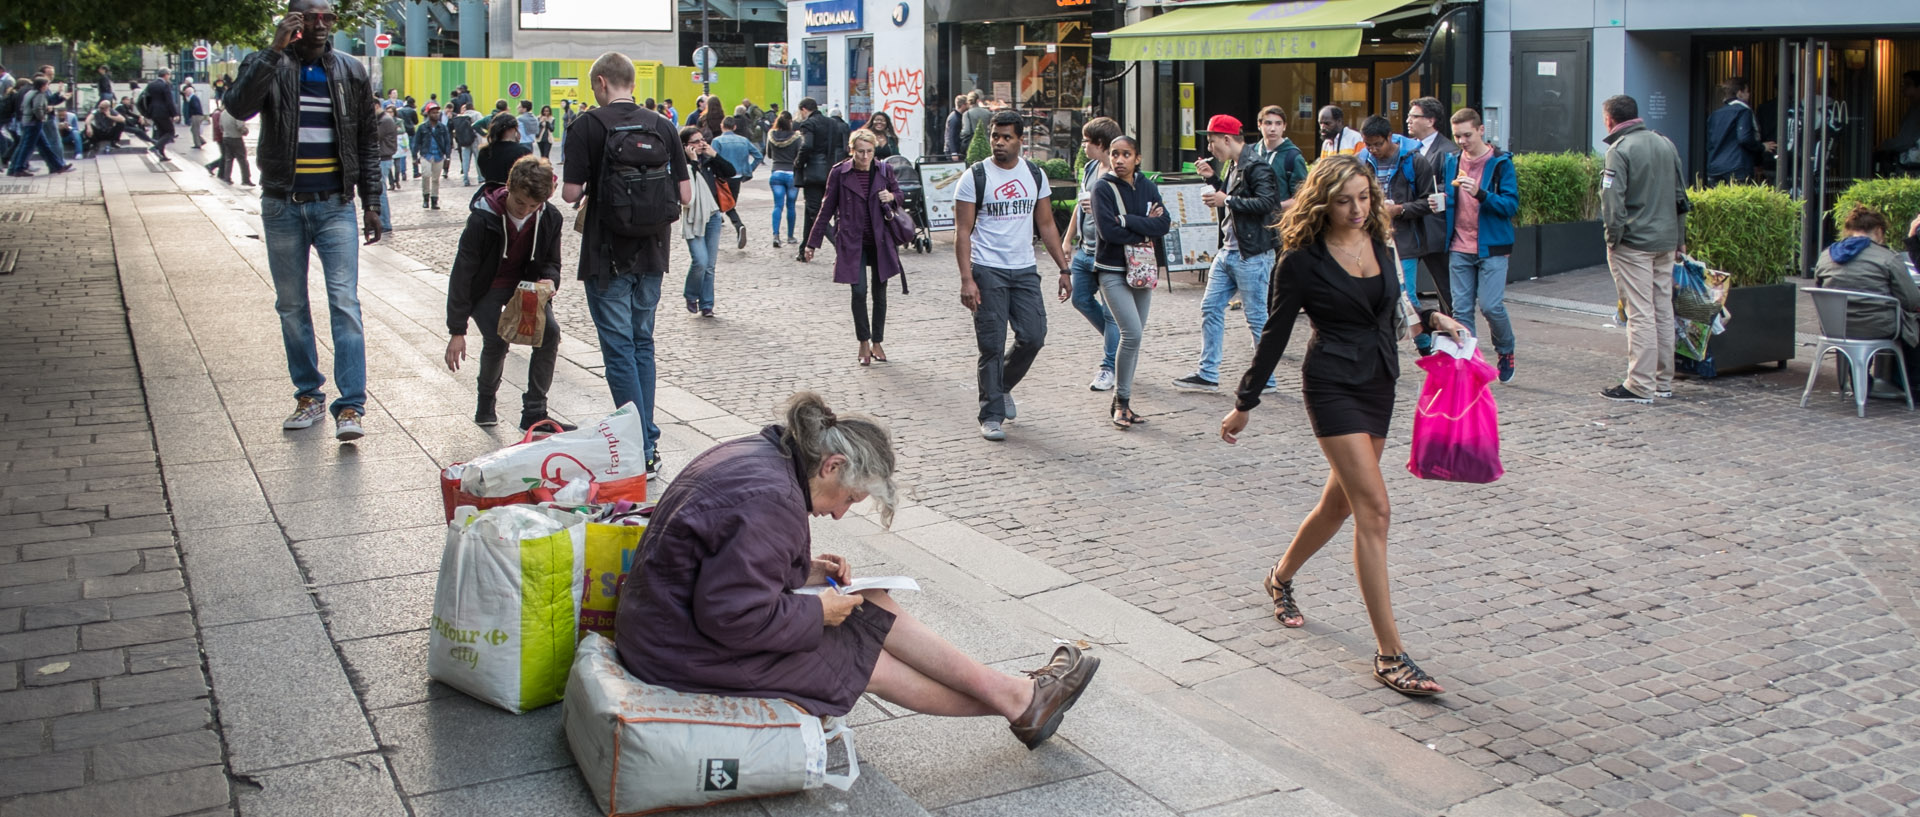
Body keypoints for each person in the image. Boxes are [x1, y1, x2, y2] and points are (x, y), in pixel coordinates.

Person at [616, 391, 1101, 744]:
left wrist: (802, 569)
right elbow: (731, 617)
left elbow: (720, 558)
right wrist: (817, 612)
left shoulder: (765, 458)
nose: (840, 513)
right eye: (849, 497)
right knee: (864, 658)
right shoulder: (772, 500)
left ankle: (1022, 698)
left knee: (869, 601)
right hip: (678, 651)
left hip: (667, 624)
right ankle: (1021, 701)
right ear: (831, 465)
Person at [1219, 154, 1467, 697]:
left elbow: (1392, 308)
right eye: (1343, 200)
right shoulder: (1301, 261)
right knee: (1374, 509)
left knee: (1338, 504)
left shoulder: (1380, 242)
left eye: (1363, 196)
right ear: (1322, 202)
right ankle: (1390, 655)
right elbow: (1276, 335)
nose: (1357, 208)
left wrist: (1433, 320)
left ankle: (1279, 577)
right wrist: (1246, 401)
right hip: (1331, 386)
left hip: (1379, 381)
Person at [226, 0, 385, 442]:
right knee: (292, 305)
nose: (319, 24)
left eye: (327, 17)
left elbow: (366, 141)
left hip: (335, 204)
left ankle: (351, 406)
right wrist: (274, 50)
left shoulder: (349, 70)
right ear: (292, 21)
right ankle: (309, 394)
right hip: (282, 204)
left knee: (344, 304)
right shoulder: (270, 64)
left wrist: (372, 201)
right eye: (308, 17)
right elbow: (238, 107)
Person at [562, 51, 693, 478]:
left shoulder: (586, 125)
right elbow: (686, 195)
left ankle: (640, 443)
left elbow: (569, 193)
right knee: (642, 344)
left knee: (619, 349)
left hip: (607, 253)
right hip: (653, 251)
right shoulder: (663, 125)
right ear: (632, 82)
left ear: (600, 82)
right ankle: (648, 441)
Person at [954, 110, 1071, 442]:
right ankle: (991, 414)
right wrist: (967, 279)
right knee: (991, 344)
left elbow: (1046, 225)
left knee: (1034, 335)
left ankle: (1001, 384)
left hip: (1023, 270)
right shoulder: (974, 177)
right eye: (995, 136)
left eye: (1006, 137)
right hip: (987, 269)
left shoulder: (1034, 175)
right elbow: (963, 232)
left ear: (1021, 140)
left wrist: (1063, 268)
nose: (999, 142)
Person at [445, 154, 572, 431]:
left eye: (533, 205)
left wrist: (550, 281)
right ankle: (486, 404)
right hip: (488, 286)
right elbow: (463, 273)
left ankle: (535, 412)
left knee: (549, 334)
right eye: (519, 203)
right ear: (509, 188)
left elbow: (552, 262)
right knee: (498, 338)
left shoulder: (550, 217)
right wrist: (457, 329)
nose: (525, 210)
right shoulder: (482, 219)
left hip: (526, 287)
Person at [1173, 114, 1281, 395]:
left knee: (1256, 316)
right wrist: (1215, 181)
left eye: (1211, 141)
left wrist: (1227, 199)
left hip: (1253, 253)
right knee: (1210, 307)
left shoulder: (1257, 166)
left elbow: (1268, 203)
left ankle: (1266, 379)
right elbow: (1237, 195)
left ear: (1227, 139)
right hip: (1230, 249)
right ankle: (1208, 374)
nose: (1210, 148)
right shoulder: (1235, 165)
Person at [1598, 94, 1687, 404]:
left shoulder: (1618, 151)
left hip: (1634, 243)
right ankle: (1663, 380)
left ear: (1610, 119)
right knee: (1662, 309)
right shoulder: (1666, 144)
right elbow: (1680, 196)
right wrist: (1679, 238)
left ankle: (1639, 383)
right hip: (1665, 241)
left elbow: (1613, 203)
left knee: (1640, 313)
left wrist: (1613, 238)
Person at [802, 129, 906, 366]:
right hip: (852, 241)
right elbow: (826, 208)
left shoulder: (884, 169)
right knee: (859, 292)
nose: (865, 156)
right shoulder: (839, 173)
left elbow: (899, 194)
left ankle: (878, 341)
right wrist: (812, 243)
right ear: (852, 150)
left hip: (880, 240)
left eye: (869, 151)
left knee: (880, 293)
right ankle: (863, 341)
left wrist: (891, 197)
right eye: (860, 151)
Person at [1089, 135, 1170, 428]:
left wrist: (1127, 220)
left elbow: (1164, 223)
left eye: (1126, 154)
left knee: (1135, 338)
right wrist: (1142, 227)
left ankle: (1122, 402)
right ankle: (1121, 402)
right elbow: (1108, 232)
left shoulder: (1148, 185)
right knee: (1132, 333)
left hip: (1143, 271)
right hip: (1111, 269)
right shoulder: (1102, 188)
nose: (1119, 160)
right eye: (1115, 154)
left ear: (1138, 158)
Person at [1439, 108, 1519, 385]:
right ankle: (1467, 364)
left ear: (1481, 130)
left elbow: (1510, 205)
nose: (1462, 141)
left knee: (1491, 306)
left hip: (1492, 246)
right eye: (1457, 136)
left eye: (1467, 135)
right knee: (1460, 310)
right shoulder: (1451, 161)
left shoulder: (1500, 163)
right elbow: (1447, 196)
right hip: (1459, 245)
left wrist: (1481, 193)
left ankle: (1506, 350)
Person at [1814, 208, 1920, 391]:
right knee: (1912, 320)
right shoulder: (1888, 258)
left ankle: (1857, 378)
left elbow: (1819, 288)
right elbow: (1912, 300)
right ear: (1879, 231)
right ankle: (1912, 385)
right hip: (1877, 327)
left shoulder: (1826, 256)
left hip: (1835, 326)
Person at [1060, 117, 1122, 392]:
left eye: (1087, 141)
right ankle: (1121, 344)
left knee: (1112, 314)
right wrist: (1068, 238)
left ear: (1100, 144)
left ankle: (1109, 366)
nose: (1083, 145)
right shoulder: (1089, 167)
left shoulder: (1122, 172)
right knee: (1080, 299)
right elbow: (1078, 204)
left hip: (1110, 254)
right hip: (1086, 250)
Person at [1360, 115, 1441, 313]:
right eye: (1368, 145)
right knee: (1372, 295)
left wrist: (1400, 210)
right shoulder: (1361, 161)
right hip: (1370, 238)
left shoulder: (1415, 161)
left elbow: (1429, 202)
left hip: (1404, 240)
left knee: (1407, 297)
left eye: (1378, 144)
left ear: (1390, 137)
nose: (1373, 150)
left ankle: (1422, 343)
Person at [1405, 97, 1458, 317]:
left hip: (1435, 230)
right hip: (1409, 228)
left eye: (1414, 116)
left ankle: (1455, 332)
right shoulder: (1406, 149)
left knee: (1445, 288)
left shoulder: (1448, 151)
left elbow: (1453, 187)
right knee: (1401, 284)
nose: (1408, 120)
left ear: (1430, 120)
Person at [679, 126, 735, 318]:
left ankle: (707, 305)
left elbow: (730, 171)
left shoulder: (710, 161)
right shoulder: (681, 165)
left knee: (710, 265)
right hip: (692, 217)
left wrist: (715, 155)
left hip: (713, 216)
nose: (702, 144)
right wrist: (693, 162)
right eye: (696, 141)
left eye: (703, 140)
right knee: (700, 261)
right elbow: (687, 190)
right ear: (686, 146)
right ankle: (691, 293)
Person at [794, 97, 849, 262]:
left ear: (804, 109)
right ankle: (804, 249)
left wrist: (799, 161)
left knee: (816, 213)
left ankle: (840, 246)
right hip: (830, 169)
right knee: (811, 212)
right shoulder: (832, 123)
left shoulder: (809, 124)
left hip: (813, 172)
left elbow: (807, 145)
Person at [1704, 78, 1772, 186]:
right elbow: (1744, 138)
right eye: (1747, 91)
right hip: (1737, 166)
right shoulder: (1743, 111)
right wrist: (1762, 147)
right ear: (1740, 93)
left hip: (1714, 167)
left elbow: (1709, 143)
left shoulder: (1715, 114)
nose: (1749, 94)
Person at [7, 77, 74, 177]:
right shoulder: (39, 95)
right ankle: (18, 168)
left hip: (28, 121)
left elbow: (24, 107)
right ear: (43, 86)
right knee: (27, 146)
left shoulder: (30, 93)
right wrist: (43, 116)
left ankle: (57, 166)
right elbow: (37, 108)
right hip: (34, 122)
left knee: (43, 145)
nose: (48, 87)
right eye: (47, 84)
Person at [711, 115, 760, 249]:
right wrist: (749, 169)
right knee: (729, 204)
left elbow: (713, 158)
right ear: (735, 127)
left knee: (723, 205)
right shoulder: (743, 140)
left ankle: (736, 226)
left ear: (722, 126)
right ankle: (738, 226)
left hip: (722, 177)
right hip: (737, 177)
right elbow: (758, 155)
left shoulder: (717, 141)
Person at [766, 112, 802, 248]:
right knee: (791, 206)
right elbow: (800, 154)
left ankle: (776, 235)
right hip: (791, 174)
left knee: (777, 205)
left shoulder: (771, 136)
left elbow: (769, 154)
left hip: (776, 172)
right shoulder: (796, 138)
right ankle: (790, 236)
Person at [476, 114, 531, 194]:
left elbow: (484, 173)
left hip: (491, 196)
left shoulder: (484, 151)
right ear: (515, 128)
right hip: (514, 197)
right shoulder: (523, 151)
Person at [1875, 71, 1920, 168]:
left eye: (1908, 84)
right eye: (1903, 84)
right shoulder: (1913, 109)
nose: (1903, 88)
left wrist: (1884, 146)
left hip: (1912, 164)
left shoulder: (1916, 111)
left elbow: (1905, 141)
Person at [415, 102, 451, 209]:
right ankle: (425, 197)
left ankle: (434, 200)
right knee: (426, 175)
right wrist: (414, 156)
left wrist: (447, 156)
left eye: (437, 112)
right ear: (428, 114)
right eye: (433, 113)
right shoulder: (422, 127)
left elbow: (447, 142)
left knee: (436, 179)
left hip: (438, 155)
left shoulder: (442, 127)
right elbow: (417, 142)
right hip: (426, 154)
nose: (436, 114)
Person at [141, 68, 179, 162]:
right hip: (163, 112)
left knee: (162, 133)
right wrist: (175, 114)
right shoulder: (165, 85)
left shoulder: (151, 84)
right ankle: (156, 147)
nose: (169, 77)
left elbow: (146, 98)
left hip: (153, 112)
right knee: (170, 132)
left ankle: (162, 155)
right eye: (169, 75)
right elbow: (169, 101)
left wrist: (147, 112)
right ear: (165, 75)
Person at [214, 104, 253, 185]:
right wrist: (245, 131)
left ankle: (227, 178)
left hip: (226, 137)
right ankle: (246, 179)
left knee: (228, 159)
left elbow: (220, 126)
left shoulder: (223, 112)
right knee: (242, 159)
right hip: (236, 138)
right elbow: (240, 126)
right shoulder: (237, 113)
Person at [450, 103, 478, 184]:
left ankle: (465, 178)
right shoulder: (476, 114)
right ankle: (480, 177)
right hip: (474, 139)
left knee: (465, 160)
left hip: (463, 141)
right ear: (473, 107)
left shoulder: (460, 117)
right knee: (477, 158)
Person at [376, 107, 401, 190]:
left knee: (381, 185)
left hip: (385, 154)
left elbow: (377, 136)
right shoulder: (383, 119)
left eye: (391, 111)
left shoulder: (385, 120)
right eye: (388, 111)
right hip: (385, 154)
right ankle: (392, 183)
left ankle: (396, 181)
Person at [183, 84, 208, 149]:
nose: (185, 94)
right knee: (193, 130)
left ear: (189, 92)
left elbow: (195, 107)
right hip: (197, 115)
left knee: (195, 130)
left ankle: (198, 144)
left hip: (196, 116)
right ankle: (201, 141)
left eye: (186, 92)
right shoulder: (193, 98)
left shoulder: (193, 98)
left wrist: (192, 114)